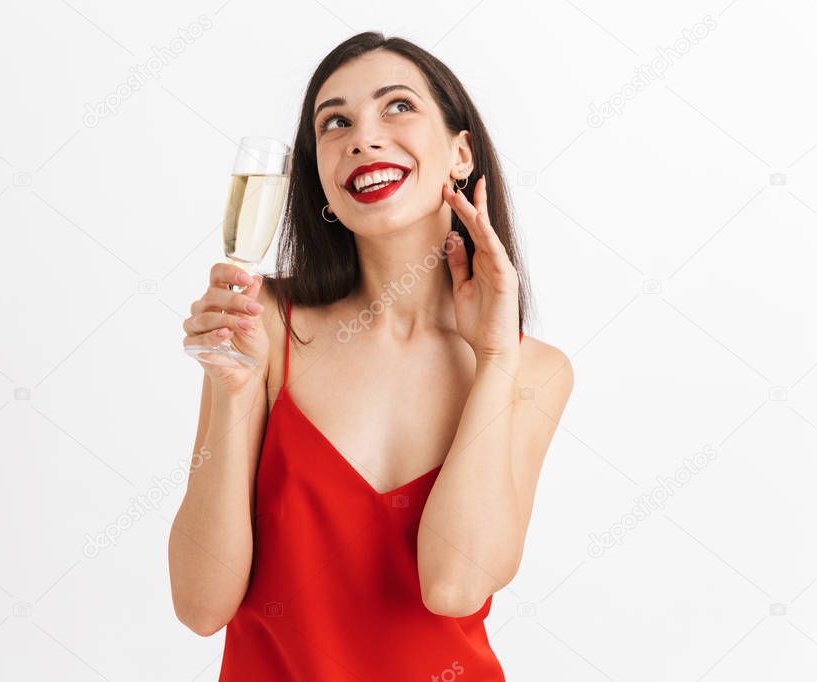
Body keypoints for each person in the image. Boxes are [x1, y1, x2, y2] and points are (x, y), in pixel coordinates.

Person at [169, 31, 574, 680]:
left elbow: (453, 586)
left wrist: (494, 356)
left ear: (460, 153)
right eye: (335, 122)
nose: (362, 136)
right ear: (322, 181)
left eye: (397, 107)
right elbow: (199, 604)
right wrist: (233, 390)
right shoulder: (265, 328)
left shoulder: (532, 370)